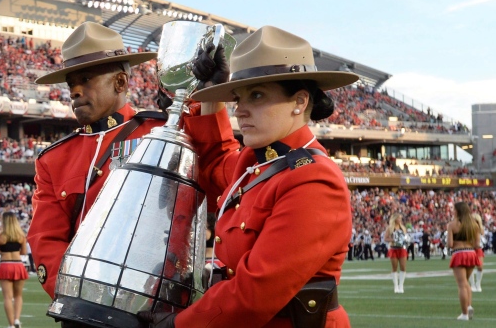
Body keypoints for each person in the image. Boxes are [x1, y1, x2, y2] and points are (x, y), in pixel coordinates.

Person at [138, 25, 357, 327]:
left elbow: (254, 294)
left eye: (256, 95)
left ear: (300, 101)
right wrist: (209, 94)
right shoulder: (256, 165)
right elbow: (215, 160)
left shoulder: (314, 180)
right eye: (238, 98)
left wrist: (178, 325)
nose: (240, 110)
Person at [26, 22, 166, 326]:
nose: (74, 91)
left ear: (120, 82)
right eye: (71, 83)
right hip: (84, 312)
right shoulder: (54, 158)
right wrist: (77, 296)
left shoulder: (161, 133)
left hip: (155, 307)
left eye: (86, 79)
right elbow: (45, 239)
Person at [0, 211, 29, 328]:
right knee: (18, 295)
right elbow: (24, 252)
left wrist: (2, 251)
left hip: (5, 265)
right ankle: (17, 319)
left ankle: (11, 324)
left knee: (8, 297)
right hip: (18, 265)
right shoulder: (21, 236)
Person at [447, 202, 481, 321]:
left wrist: (458, 243)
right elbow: (477, 244)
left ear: (457, 211)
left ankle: (464, 314)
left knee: (461, 285)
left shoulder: (452, 225)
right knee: (466, 283)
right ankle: (469, 306)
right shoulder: (474, 225)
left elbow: (450, 244)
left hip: (459, 254)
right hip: (471, 253)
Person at [384, 213, 409, 293]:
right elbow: (385, 238)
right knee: (394, 267)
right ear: (395, 219)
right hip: (393, 248)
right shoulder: (390, 228)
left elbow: (405, 237)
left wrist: (405, 240)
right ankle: (396, 286)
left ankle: (401, 285)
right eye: (399, 218)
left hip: (402, 249)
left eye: (401, 218)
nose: (400, 220)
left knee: (403, 267)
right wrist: (394, 240)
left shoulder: (403, 228)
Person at [468, 213, 485, 292]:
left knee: (480, 267)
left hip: (478, 249)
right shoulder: (468, 229)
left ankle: (478, 284)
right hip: (470, 249)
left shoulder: (481, 229)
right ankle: (472, 284)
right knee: (470, 267)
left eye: (476, 221)